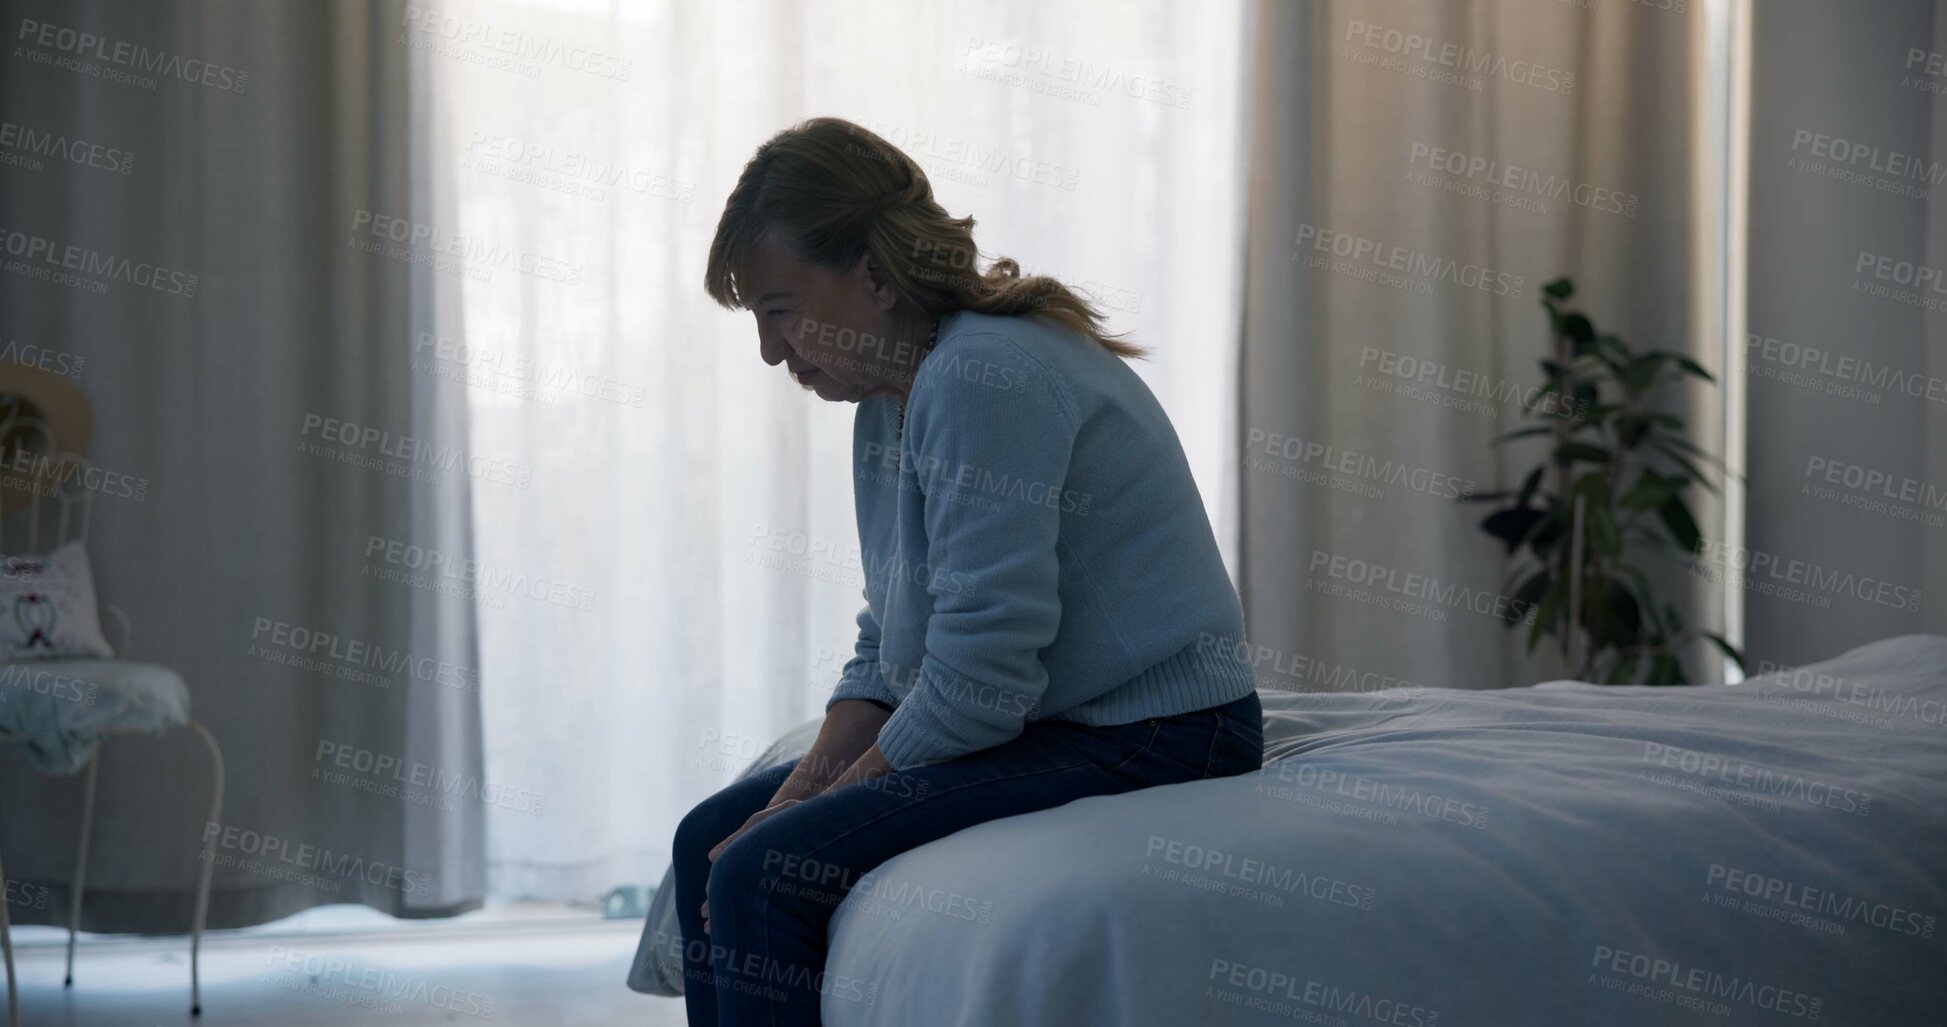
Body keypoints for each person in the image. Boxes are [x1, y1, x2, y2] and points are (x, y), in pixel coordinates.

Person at [670, 116, 1262, 1027]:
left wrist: (808, 814)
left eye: (780, 310)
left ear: (872, 272)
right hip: (1050, 717)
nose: (770, 352)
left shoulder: (986, 378)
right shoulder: (887, 400)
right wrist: (793, 794)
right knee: (711, 836)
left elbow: (982, 680)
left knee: (765, 870)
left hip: (1160, 727)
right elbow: (889, 646)